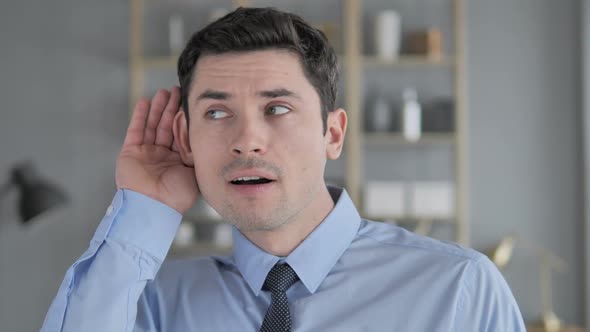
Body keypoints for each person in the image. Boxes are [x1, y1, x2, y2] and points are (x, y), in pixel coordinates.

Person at [41, 7, 525, 331]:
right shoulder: (153, 304)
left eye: (277, 108)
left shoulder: (458, 291)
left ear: (332, 134)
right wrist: (144, 209)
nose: (246, 139)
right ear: (186, 139)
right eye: (216, 112)